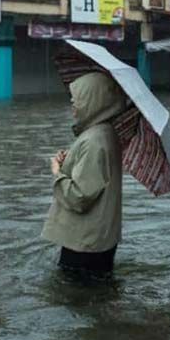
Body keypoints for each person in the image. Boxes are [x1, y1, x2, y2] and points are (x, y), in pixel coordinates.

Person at [42, 72, 125, 279]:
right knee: (99, 296)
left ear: (93, 101)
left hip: (85, 242)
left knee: (74, 298)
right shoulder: (105, 132)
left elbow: (80, 196)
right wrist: (71, 159)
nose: (72, 106)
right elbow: (96, 174)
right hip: (100, 238)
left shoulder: (93, 141)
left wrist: (56, 171)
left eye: (77, 100)